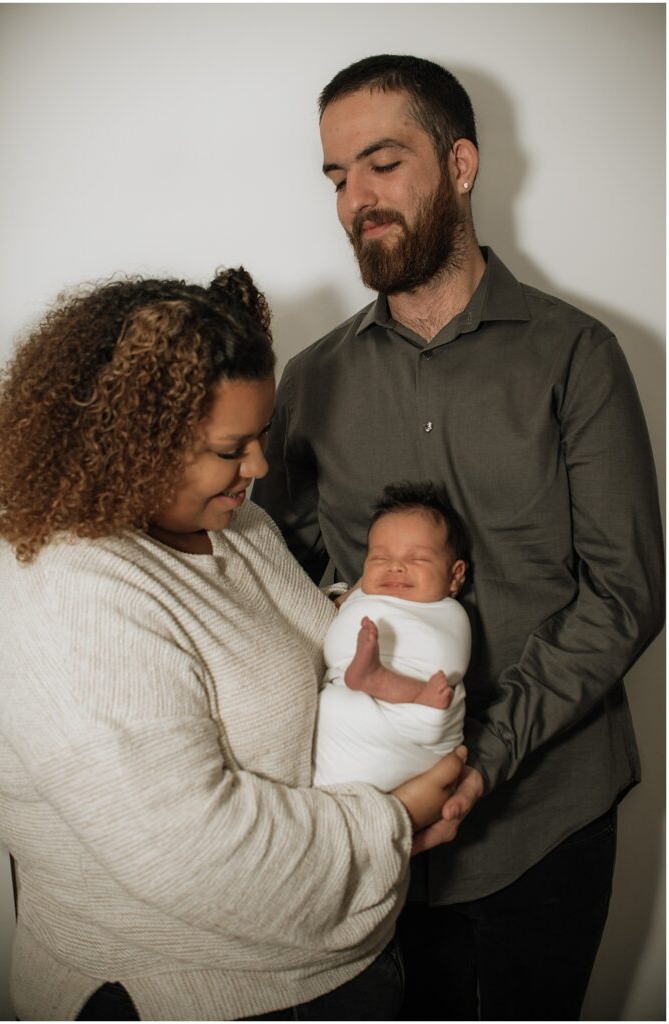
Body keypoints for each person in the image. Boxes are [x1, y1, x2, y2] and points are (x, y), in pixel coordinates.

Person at [253, 54, 665, 1020]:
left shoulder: (579, 357)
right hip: (369, 830)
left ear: (462, 164)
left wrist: (482, 757)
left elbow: (625, 592)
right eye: (336, 177)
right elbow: (272, 577)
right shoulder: (308, 382)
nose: (357, 199)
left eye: (383, 163)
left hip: (548, 815)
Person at [0, 266, 468, 1022]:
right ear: (130, 442)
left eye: (261, 437)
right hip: (199, 994)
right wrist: (395, 822)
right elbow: (196, 857)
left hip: (330, 957)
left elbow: (304, 643)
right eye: (228, 447)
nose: (258, 467)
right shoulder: (69, 595)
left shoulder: (234, 526)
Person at [314, 481, 471, 791]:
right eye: (379, 559)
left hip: (412, 730)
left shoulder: (443, 611)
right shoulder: (357, 597)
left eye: (418, 560)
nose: (396, 567)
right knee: (332, 709)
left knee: (439, 689)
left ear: (455, 577)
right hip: (344, 735)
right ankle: (374, 679)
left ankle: (387, 683)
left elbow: (445, 662)